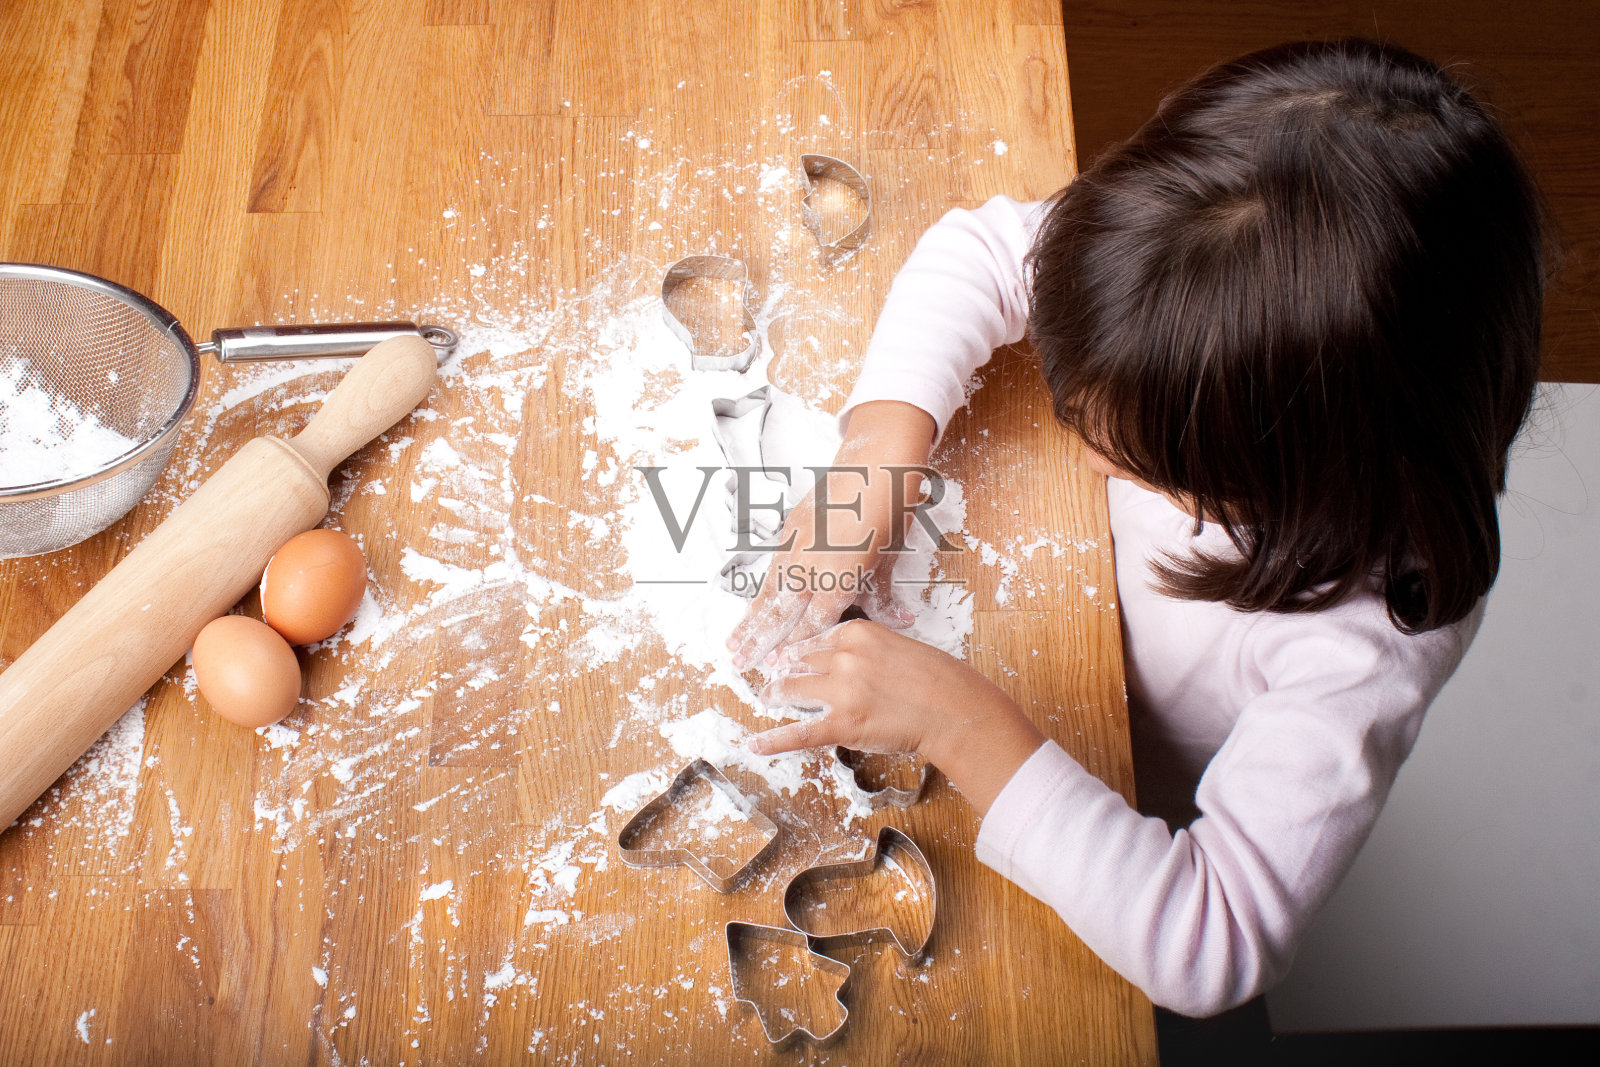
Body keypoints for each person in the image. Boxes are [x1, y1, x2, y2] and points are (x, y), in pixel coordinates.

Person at [725, 39, 1545, 1017]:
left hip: (1110, 796)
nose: (1094, 460)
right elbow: (979, 249)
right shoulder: (1183, 272)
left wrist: (962, 726)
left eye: (1151, 462)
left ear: (1303, 472)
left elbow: (1217, 944)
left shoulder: (1365, 643)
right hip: (1054, 641)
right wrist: (877, 453)